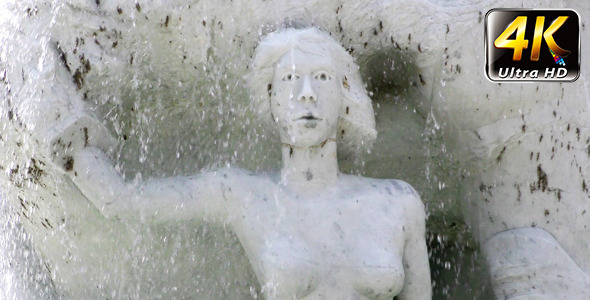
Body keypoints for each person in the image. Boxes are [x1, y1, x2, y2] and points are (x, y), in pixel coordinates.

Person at [62, 27, 431, 299]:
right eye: (289, 79)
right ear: (271, 101)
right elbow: (121, 200)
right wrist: (61, 130)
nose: (307, 93)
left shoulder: (398, 202)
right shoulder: (242, 194)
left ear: (344, 96)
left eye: (321, 77)